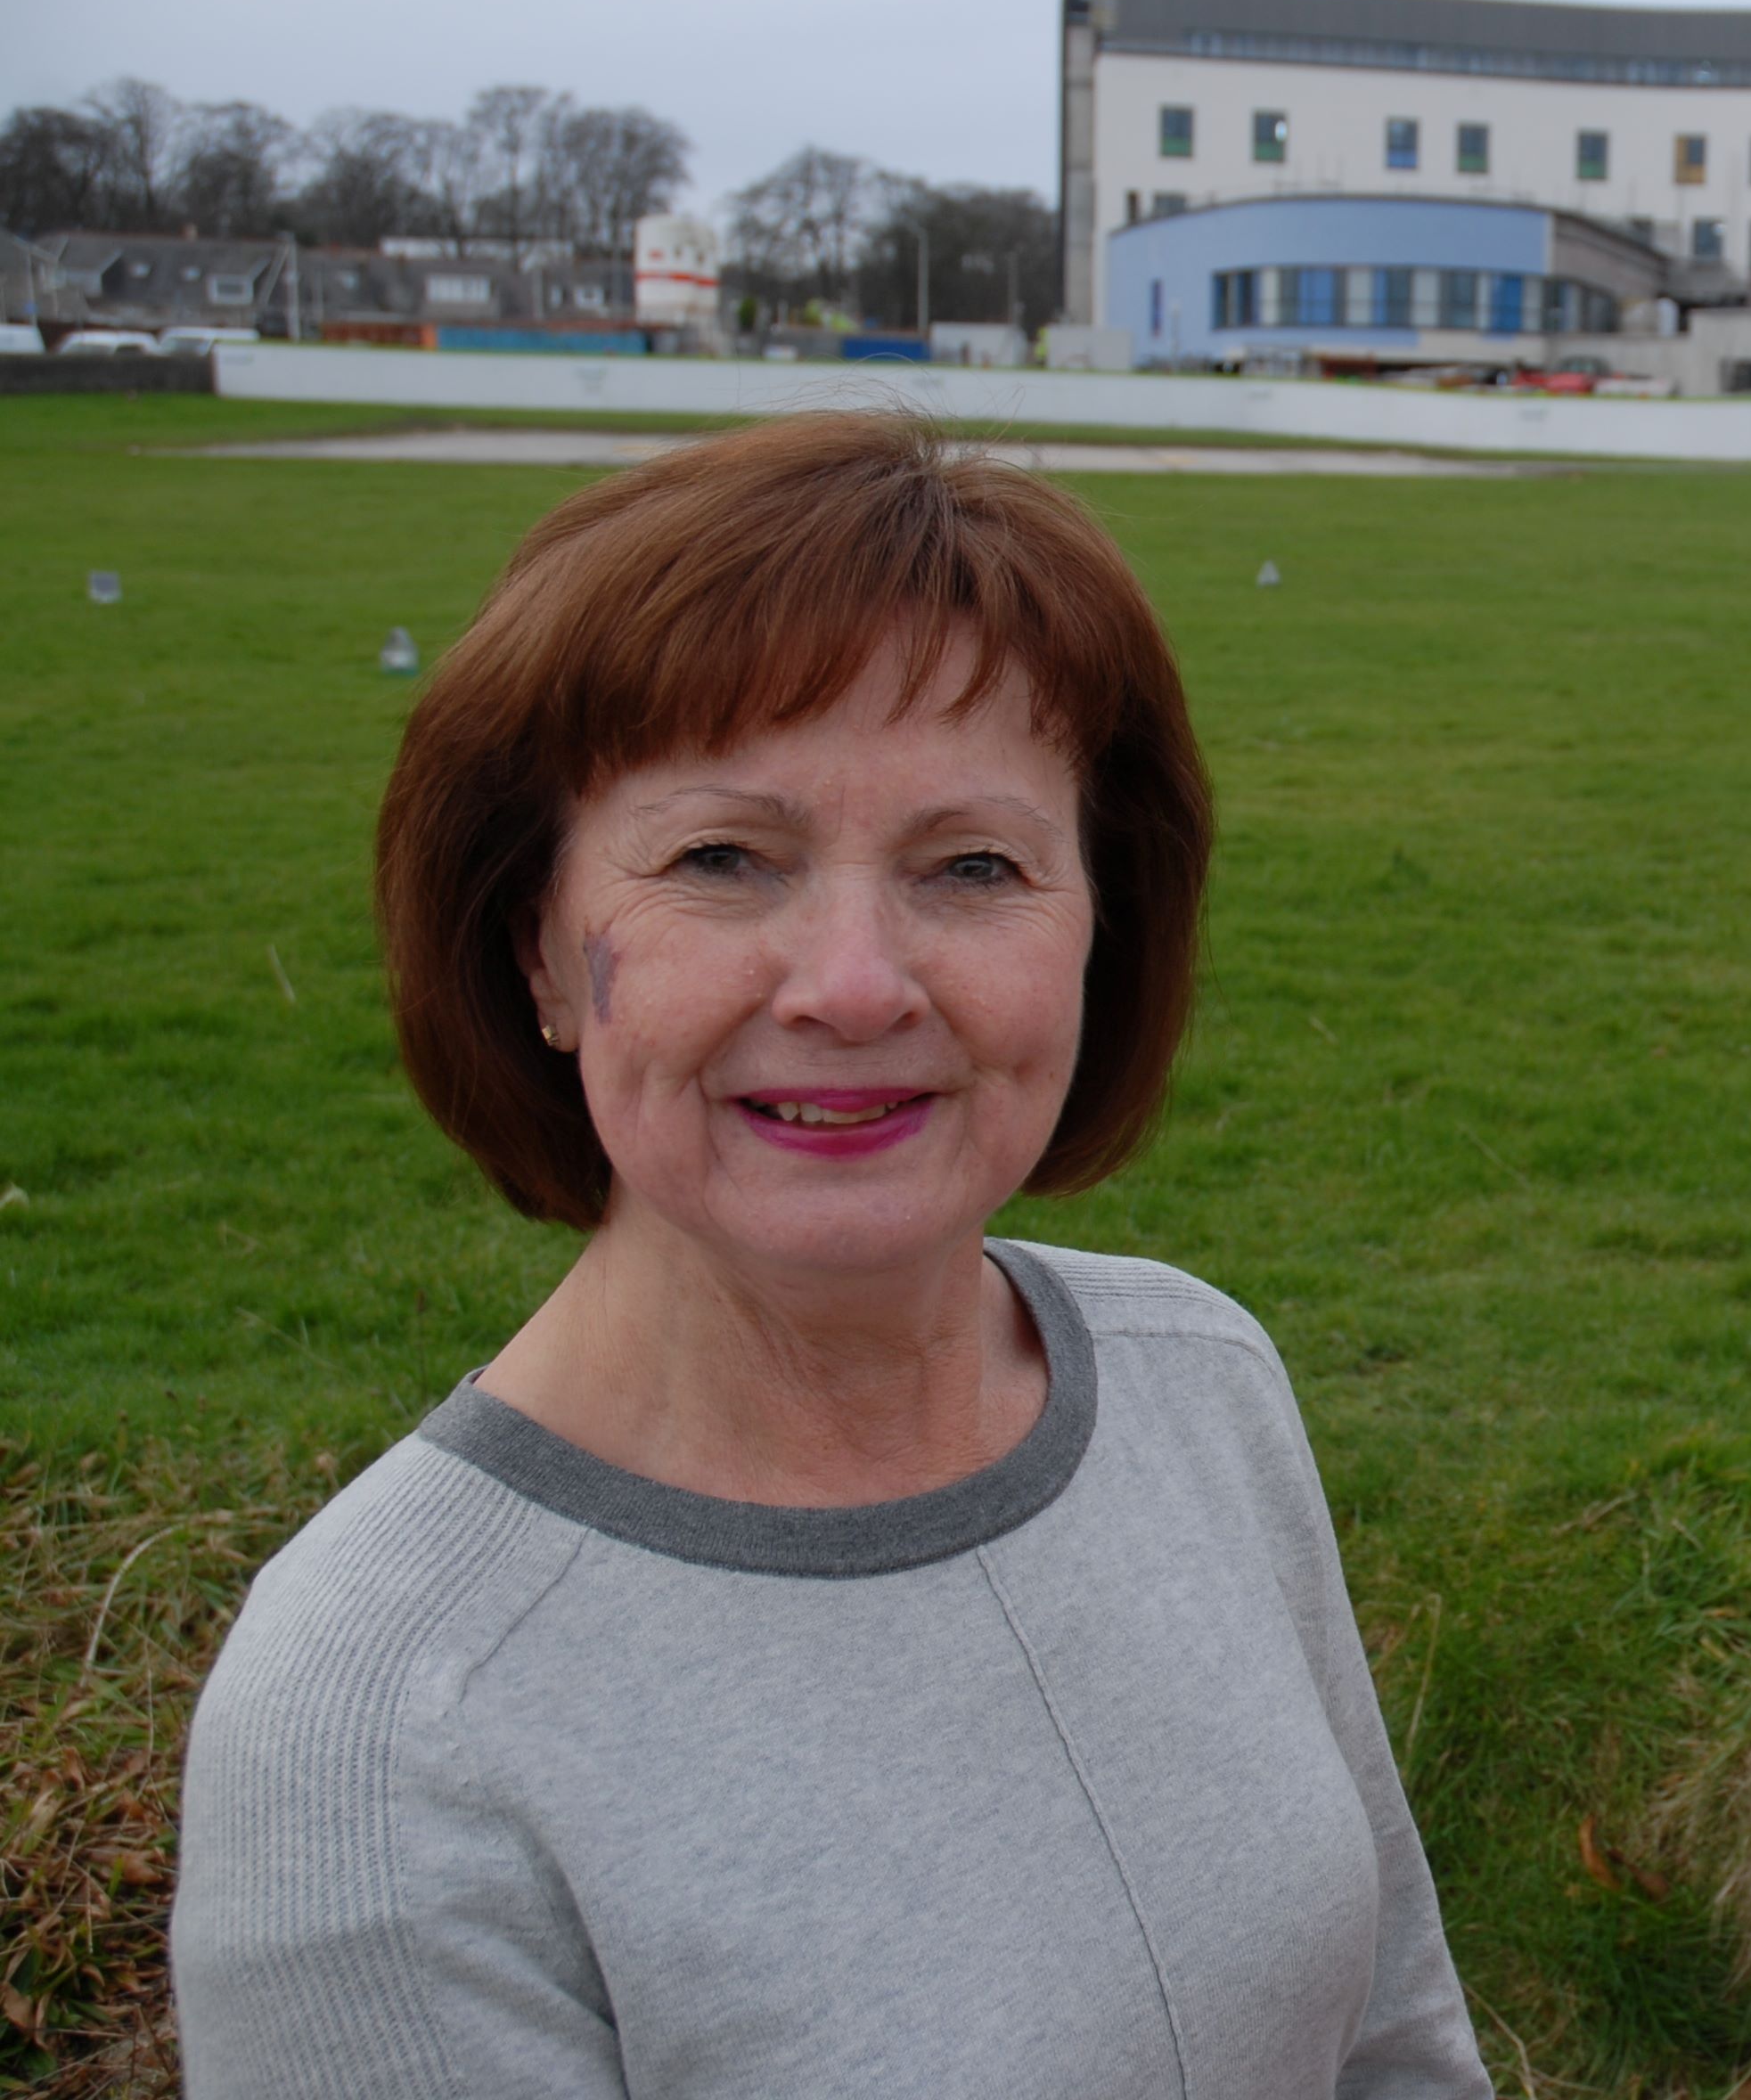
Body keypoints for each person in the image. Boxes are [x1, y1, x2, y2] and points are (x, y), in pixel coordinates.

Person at [174, 412, 1491, 2100]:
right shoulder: (379, 1723)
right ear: (542, 956)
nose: (856, 985)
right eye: (726, 858)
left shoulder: (1198, 1381)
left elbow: (1393, 2044)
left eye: (974, 866)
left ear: (1103, 929)